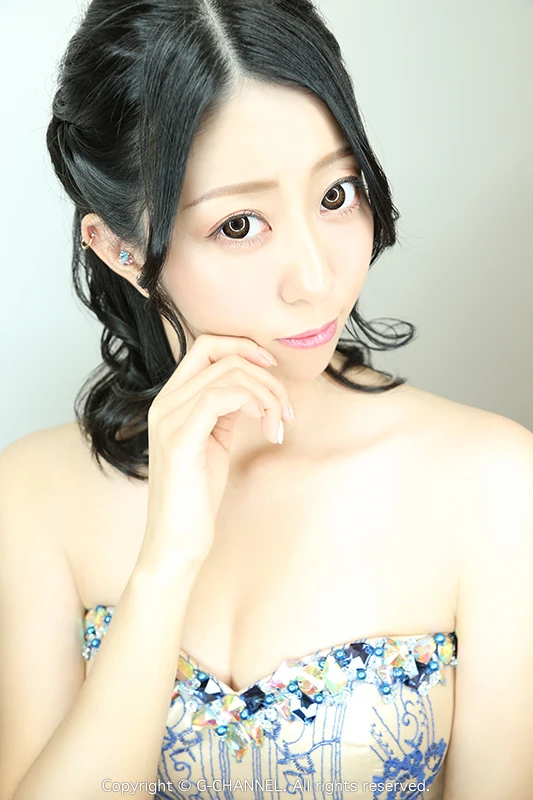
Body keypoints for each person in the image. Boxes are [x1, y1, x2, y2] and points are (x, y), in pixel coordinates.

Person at [1, 1, 532, 798]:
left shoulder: (492, 482)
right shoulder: (35, 494)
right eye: (240, 224)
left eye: (335, 194)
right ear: (119, 249)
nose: (315, 278)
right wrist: (164, 566)